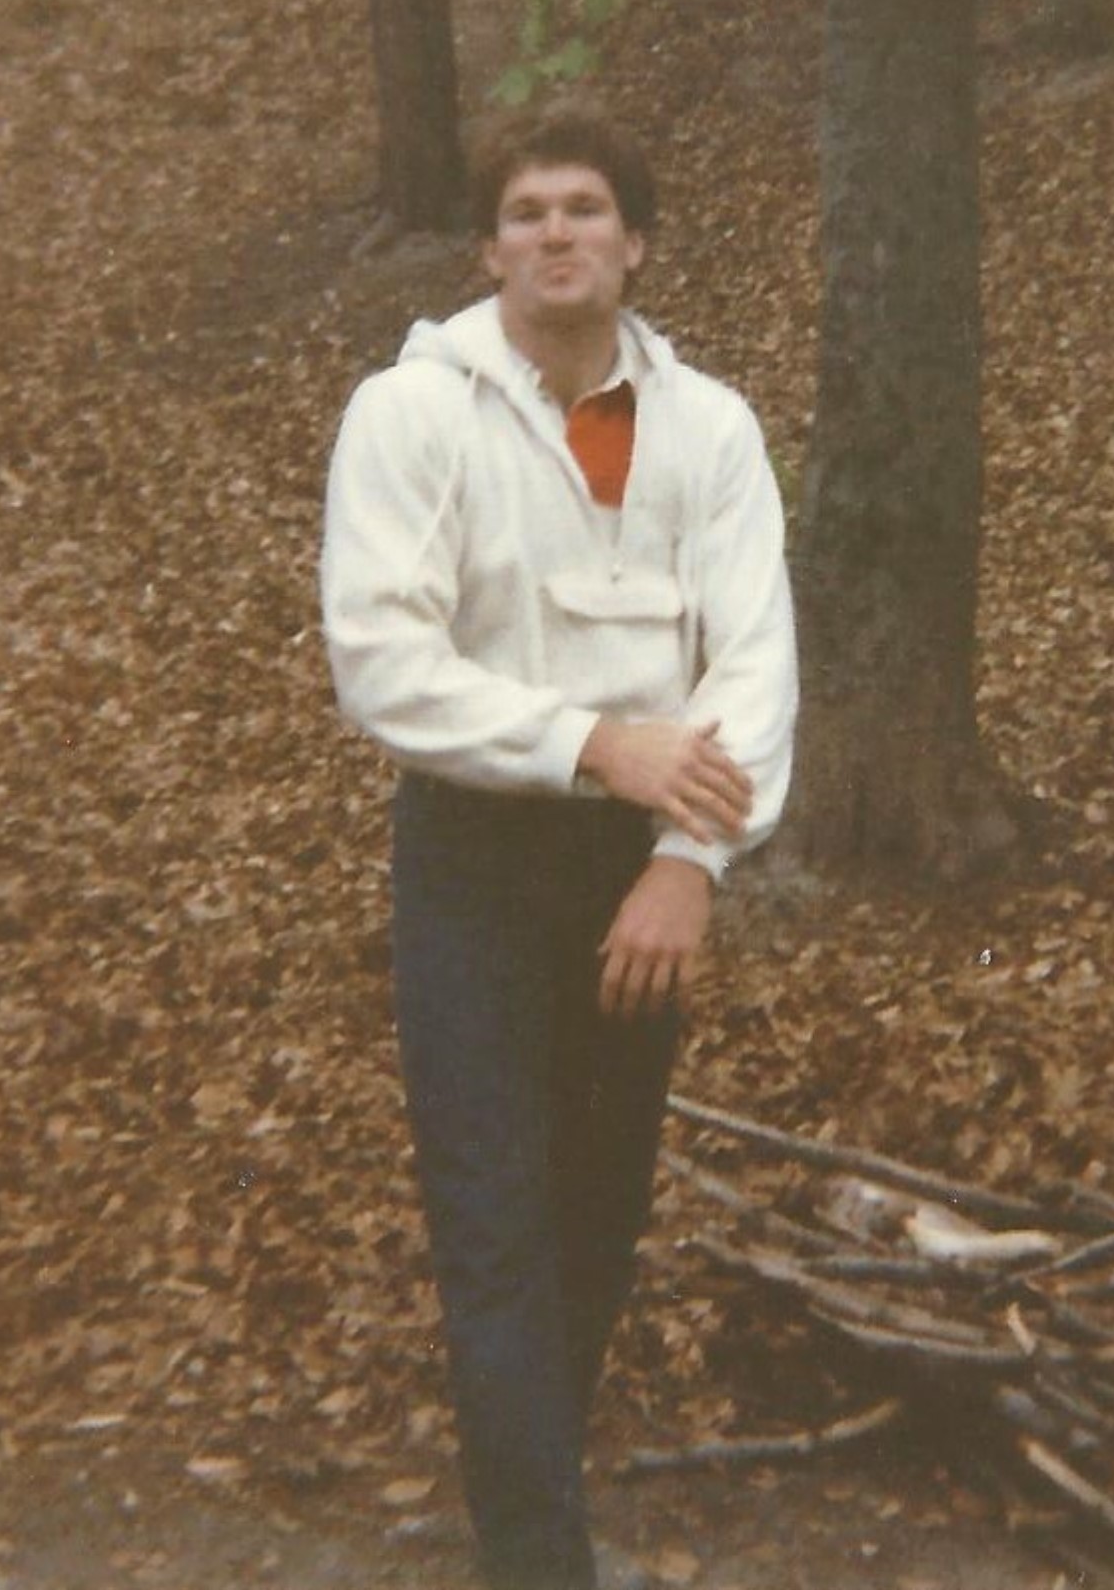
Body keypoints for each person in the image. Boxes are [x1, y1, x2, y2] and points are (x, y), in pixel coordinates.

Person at [319, 101, 798, 1590]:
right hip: (472, 863)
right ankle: (541, 1562)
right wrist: (591, 740)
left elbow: (754, 662)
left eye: (584, 207)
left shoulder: (708, 428)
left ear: (635, 242)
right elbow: (382, 663)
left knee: (597, 1219)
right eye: (525, 213)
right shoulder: (413, 414)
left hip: (633, 873)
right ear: (488, 250)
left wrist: (686, 864)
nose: (555, 234)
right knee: (495, 1222)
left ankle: (529, 1511)